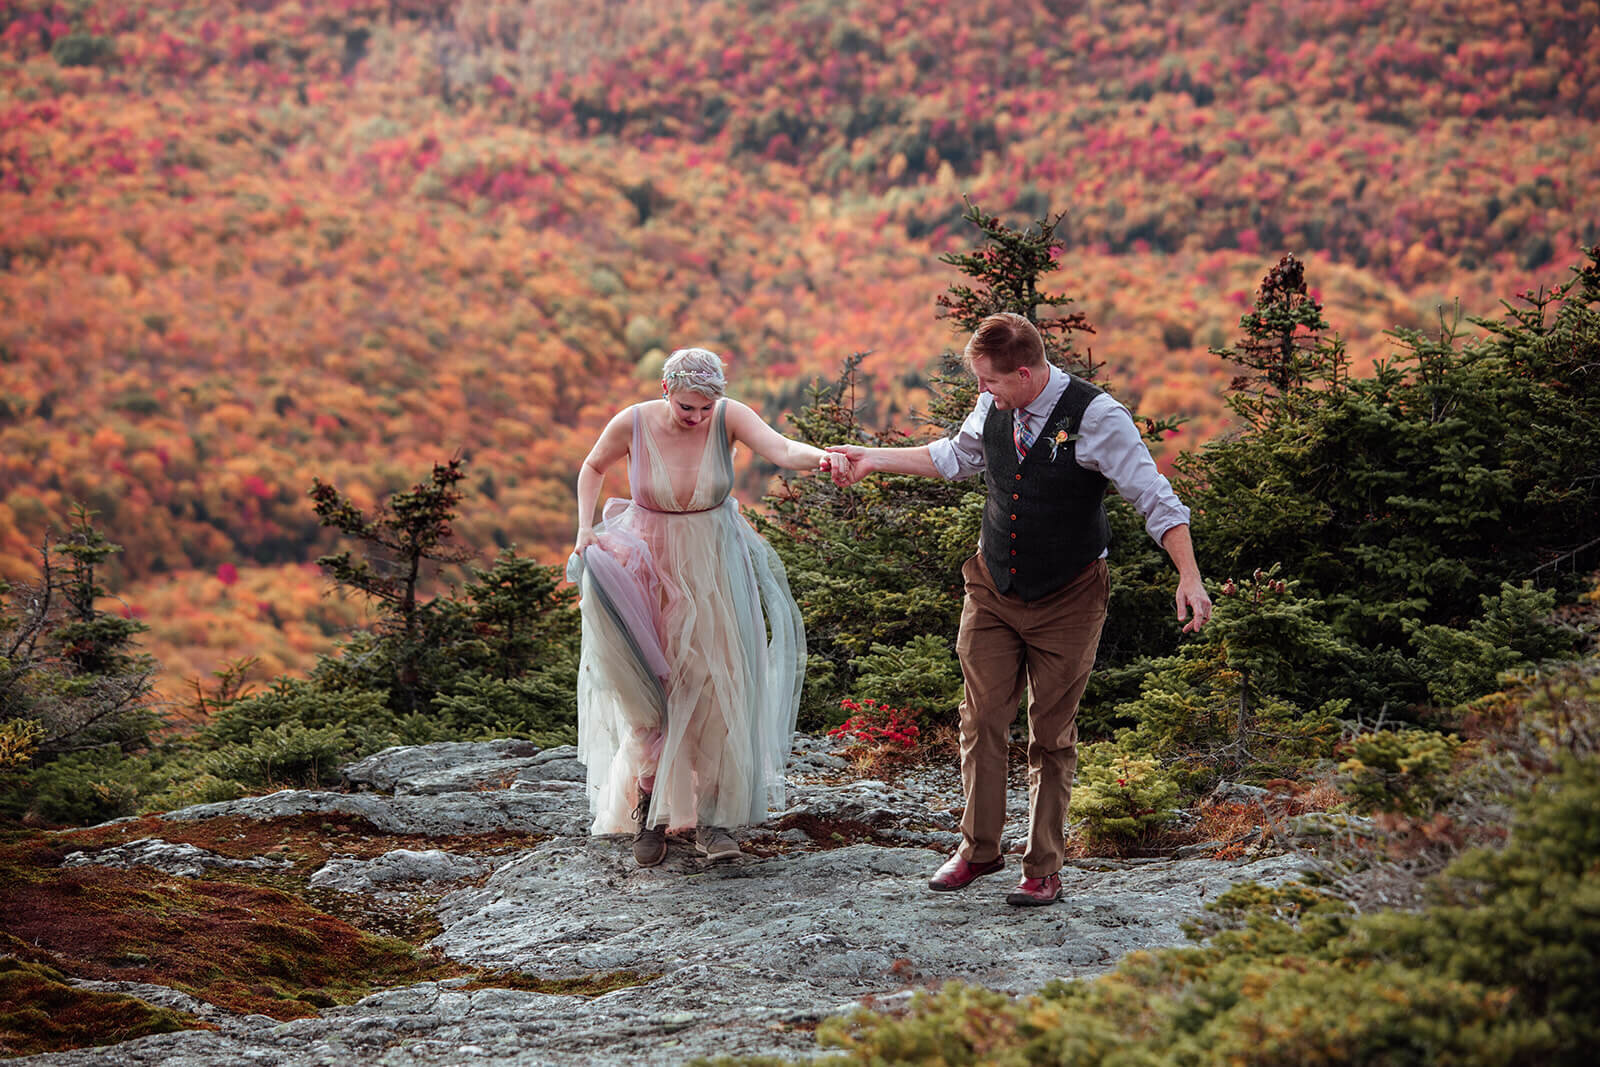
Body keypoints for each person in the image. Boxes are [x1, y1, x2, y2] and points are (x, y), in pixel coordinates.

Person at [826, 313, 1211, 906]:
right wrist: (872, 458)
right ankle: (978, 850)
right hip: (992, 586)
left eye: (990, 382)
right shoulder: (994, 406)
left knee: (1050, 733)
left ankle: (1043, 867)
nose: (982, 392)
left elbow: (1155, 498)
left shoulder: (1098, 418)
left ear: (1026, 373)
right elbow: (955, 457)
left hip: (1070, 596)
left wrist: (1189, 575)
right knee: (980, 718)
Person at [568, 347, 847, 867]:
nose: (695, 417)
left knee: (719, 684)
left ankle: (714, 820)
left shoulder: (728, 417)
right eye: (686, 407)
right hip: (649, 561)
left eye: (704, 408)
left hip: (716, 566)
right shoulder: (632, 422)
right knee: (654, 687)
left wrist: (825, 457)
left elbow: (782, 449)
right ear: (665, 389)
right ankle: (649, 811)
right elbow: (592, 466)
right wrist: (586, 527)